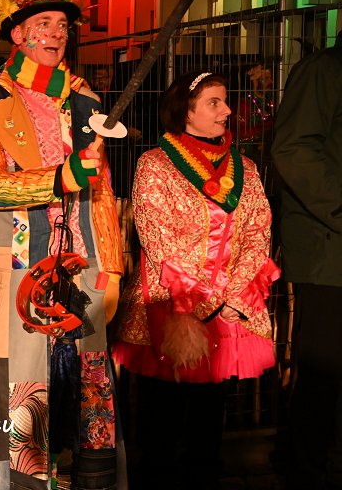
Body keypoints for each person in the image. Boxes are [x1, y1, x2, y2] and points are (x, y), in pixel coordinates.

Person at [0, 0, 125, 489]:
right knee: (16, 391)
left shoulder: (86, 99)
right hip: (15, 268)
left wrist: (113, 266)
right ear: (18, 34)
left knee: (89, 391)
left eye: (62, 25)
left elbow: (103, 192)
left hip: (83, 268)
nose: (55, 33)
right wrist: (58, 178)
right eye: (43, 24)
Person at [113, 71, 279, 490]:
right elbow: (158, 240)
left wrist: (235, 294)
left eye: (225, 101)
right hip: (171, 304)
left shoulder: (245, 168)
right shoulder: (155, 165)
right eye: (214, 102)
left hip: (226, 307)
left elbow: (258, 231)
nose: (227, 110)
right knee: (162, 418)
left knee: (209, 416)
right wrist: (209, 299)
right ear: (185, 112)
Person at [271, 31, 342, 490]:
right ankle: (308, 471)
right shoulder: (326, 70)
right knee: (323, 374)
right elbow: (293, 149)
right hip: (329, 253)